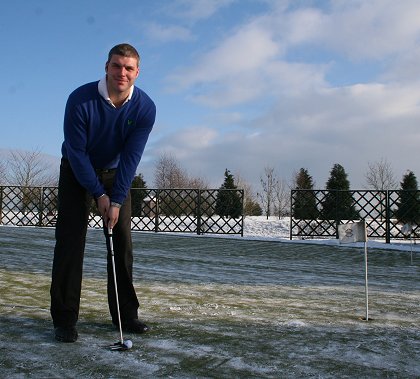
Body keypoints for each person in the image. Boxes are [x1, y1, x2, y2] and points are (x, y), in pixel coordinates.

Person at [50, 43, 156, 343]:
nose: (122, 72)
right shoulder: (80, 99)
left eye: (129, 68)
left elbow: (132, 157)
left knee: (122, 242)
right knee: (71, 241)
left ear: (137, 72)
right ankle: (64, 319)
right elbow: (77, 152)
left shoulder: (145, 108)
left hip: (115, 174)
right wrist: (98, 194)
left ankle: (126, 314)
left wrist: (117, 199)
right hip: (75, 170)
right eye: (116, 66)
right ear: (106, 67)